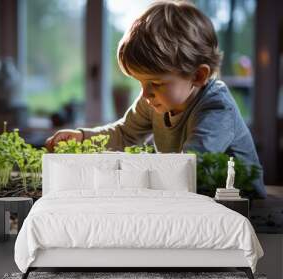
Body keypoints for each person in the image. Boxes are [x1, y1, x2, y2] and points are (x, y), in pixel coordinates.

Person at [45, 0, 266, 198]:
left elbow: (188, 167)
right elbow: (124, 134)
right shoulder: (153, 100)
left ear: (198, 76)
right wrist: (83, 137)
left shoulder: (216, 109)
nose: (145, 94)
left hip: (242, 207)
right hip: (195, 199)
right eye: (140, 82)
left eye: (156, 83)